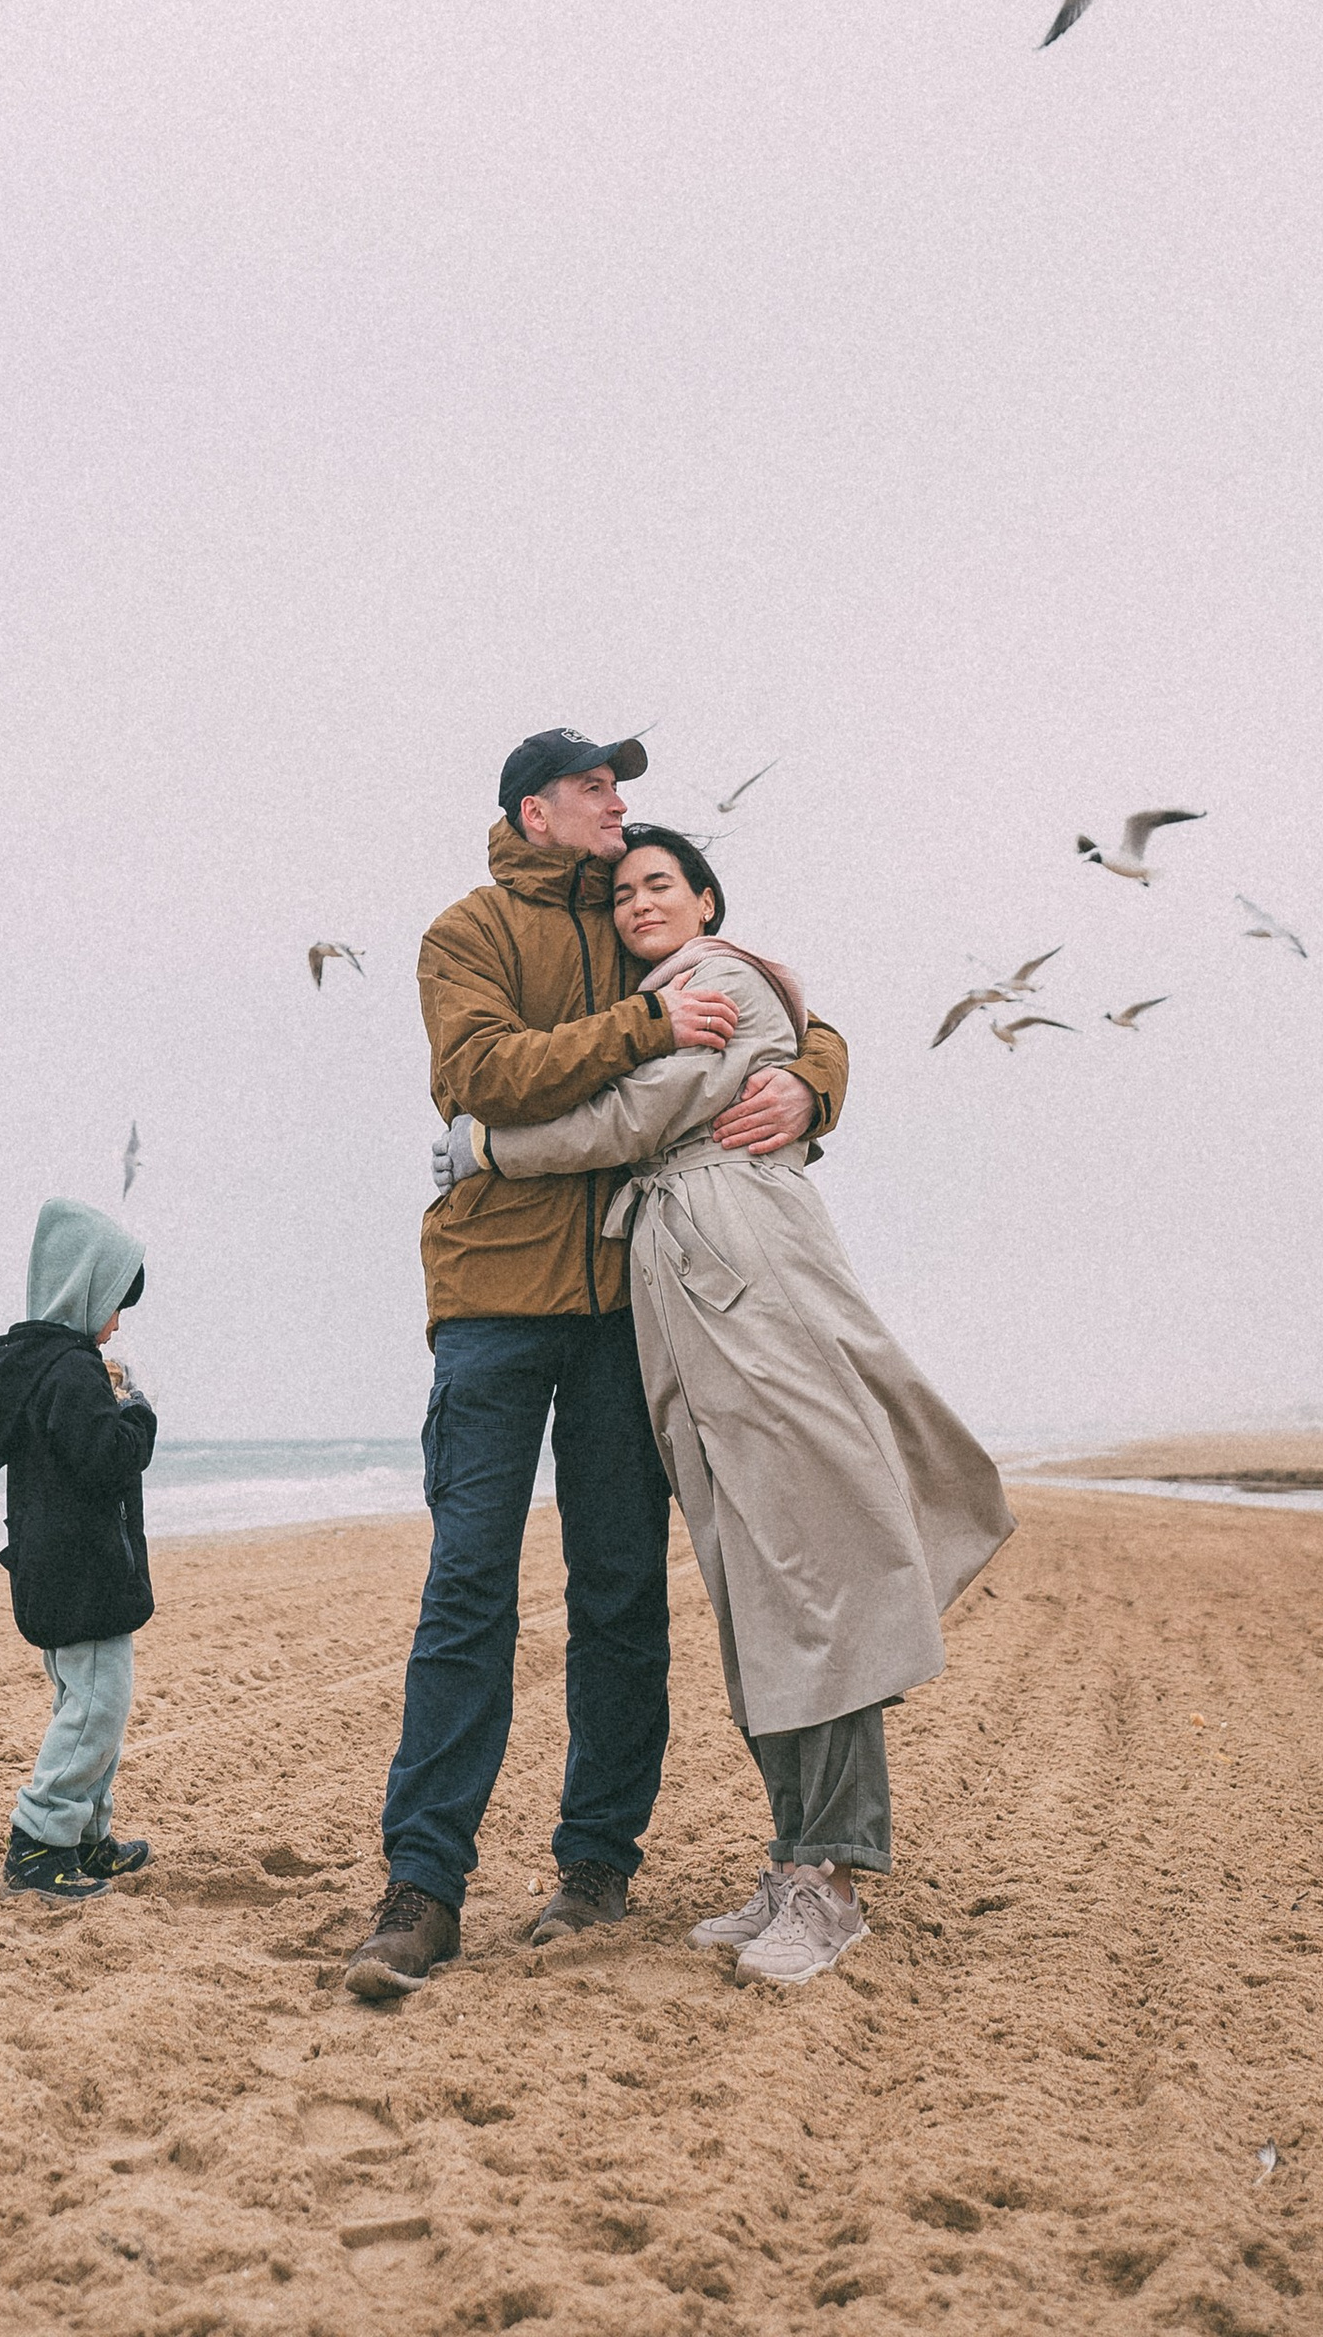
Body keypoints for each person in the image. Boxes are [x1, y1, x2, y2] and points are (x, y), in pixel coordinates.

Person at [447, 825, 1014, 1986]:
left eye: (662, 884)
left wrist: (486, 1152)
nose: (638, 902)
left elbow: (631, 1118)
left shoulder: (718, 982)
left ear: (706, 900)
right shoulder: (655, 991)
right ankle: (795, 1856)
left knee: (817, 1564)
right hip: (683, 1294)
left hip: (746, 1276)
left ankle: (834, 1876)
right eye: (624, 892)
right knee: (755, 1583)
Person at [344, 729, 850, 2000]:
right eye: (593, 786)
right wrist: (638, 1024)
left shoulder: (654, 924)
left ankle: (594, 1867)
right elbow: (476, 1081)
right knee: (468, 1588)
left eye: (619, 788)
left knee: (619, 1590)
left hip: (635, 1299)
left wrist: (816, 1088)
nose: (617, 803)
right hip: (492, 1299)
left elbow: (783, 1008)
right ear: (535, 807)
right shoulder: (465, 934)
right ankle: (423, 1889)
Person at [0, 1198, 159, 1898]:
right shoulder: (70, 1372)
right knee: (93, 1713)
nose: (119, 1322)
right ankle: (38, 1846)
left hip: (58, 1575)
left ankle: (86, 1839)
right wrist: (137, 1410)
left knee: (93, 1708)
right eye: (114, 1303)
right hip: (82, 1581)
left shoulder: (40, 1367)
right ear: (84, 1289)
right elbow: (107, 1461)